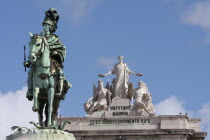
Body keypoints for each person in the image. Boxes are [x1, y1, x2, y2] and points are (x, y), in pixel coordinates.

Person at [24, 8, 70, 100]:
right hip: (39, 63)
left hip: (53, 62)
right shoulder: (39, 39)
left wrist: (55, 53)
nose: (44, 28)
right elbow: (35, 50)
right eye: (44, 26)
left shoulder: (55, 39)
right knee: (30, 73)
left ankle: (59, 90)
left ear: (51, 27)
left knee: (60, 72)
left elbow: (62, 49)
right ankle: (30, 90)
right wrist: (29, 62)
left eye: (46, 26)